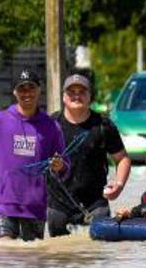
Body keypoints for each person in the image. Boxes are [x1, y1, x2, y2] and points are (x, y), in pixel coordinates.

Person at [0, 68, 69, 241]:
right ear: (15, 92)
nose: (27, 93)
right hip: (4, 206)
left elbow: (66, 168)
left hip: (35, 208)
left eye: (31, 87)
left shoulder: (52, 127)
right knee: (5, 251)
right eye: (22, 88)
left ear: (39, 90)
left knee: (32, 262)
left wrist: (60, 166)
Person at [47, 72, 131, 236]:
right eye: (71, 92)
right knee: (57, 254)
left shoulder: (103, 125)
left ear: (90, 96)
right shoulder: (50, 125)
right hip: (58, 204)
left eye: (82, 92)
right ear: (64, 97)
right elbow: (36, 162)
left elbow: (122, 159)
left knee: (97, 252)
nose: (76, 96)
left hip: (95, 204)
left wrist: (119, 184)